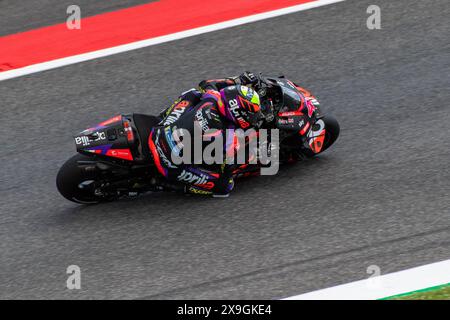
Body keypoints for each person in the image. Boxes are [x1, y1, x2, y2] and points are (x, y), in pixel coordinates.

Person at [148, 72, 263, 197]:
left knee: (193, 94)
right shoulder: (229, 136)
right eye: (253, 113)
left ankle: (162, 118)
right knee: (225, 187)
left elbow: (206, 83)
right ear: (238, 113)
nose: (255, 116)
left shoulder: (212, 98)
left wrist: (235, 80)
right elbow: (228, 167)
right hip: (169, 160)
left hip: (160, 130)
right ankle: (180, 187)